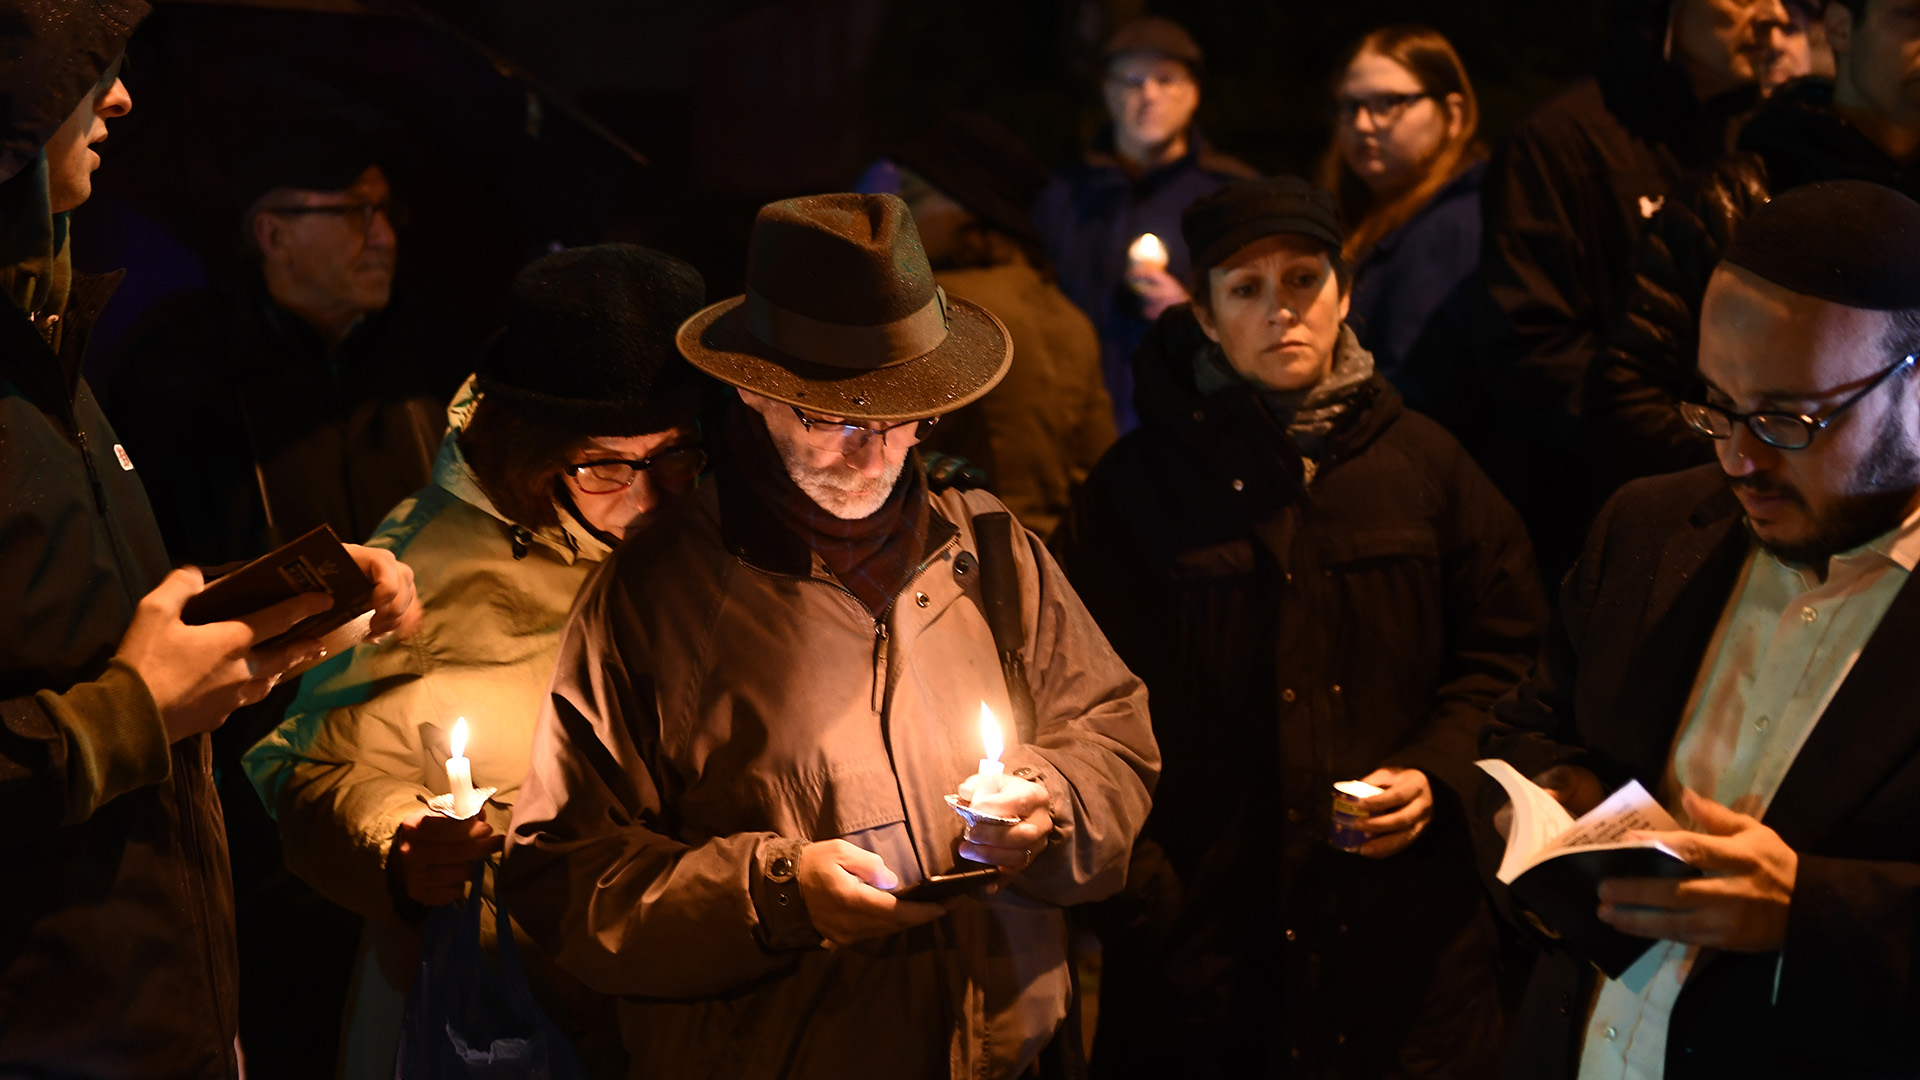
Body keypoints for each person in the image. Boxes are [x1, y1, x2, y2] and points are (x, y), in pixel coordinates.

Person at [501, 193, 1158, 1080]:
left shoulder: (991, 548)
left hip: (1010, 1053)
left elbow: (1114, 736)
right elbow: (568, 877)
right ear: (751, 389)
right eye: (835, 417)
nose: (876, 453)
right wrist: (773, 899)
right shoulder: (654, 598)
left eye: (905, 418)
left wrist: (1052, 804)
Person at [0, 4, 416, 1074]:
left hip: (157, 1000)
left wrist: (290, 596)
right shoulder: (175, 372)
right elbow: (114, 691)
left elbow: (90, 617)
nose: (122, 99)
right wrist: (129, 717)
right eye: (86, 71)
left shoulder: (50, 359)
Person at [1061, 178, 1548, 1078]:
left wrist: (1440, 770)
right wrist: (1146, 901)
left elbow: (1512, 651)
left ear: (1345, 294)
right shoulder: (1135, 491)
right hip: (1202, 960)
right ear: (1203, 315)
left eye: (1303, 280)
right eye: (1245, 289)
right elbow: (1069, 703)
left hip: (1403, 958)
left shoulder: (1428, 466)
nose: (1281, 309)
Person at [1483, 180, 1920, 1078]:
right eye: (1715, 402)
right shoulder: (1648, 530)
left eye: (1788, 420)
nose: (1736, 458)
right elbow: (1529, 724)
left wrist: (1810, 912)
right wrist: (1556, 796)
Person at [244, 244, 708, 1078]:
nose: (646, 496)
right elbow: (300, 768)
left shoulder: (717, 535)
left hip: (698, 1007)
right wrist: (397, 843)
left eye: (673, 454)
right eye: (605, 464)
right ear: (530, 450)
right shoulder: (425, 572)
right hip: (511, 1015)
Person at [1478, 0, 1789, 583]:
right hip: (1602, 524)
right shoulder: (1559, 143)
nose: (1774, 15)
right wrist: (1690, 444)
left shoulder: (1761, 143)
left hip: (1755, 498)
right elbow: (1530, 349)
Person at [108, 115, 471, 568]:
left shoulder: (440, 360)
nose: (384, 237)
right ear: (274, 236)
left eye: (386, 211)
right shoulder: (177, 381)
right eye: (356, 212)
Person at [1592, 0, 1920, 488]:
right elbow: (1629, 393)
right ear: (1840, 27)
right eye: (1913, 15)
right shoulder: (1735, 202)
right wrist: (1766, 472)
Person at [868, 110, 1116, 540]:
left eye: (913, 195)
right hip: (1060, 562)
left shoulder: (937, 309)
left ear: (965, 205)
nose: (900, 217)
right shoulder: (1068, 315)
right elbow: (1100, 467)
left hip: (965, 555)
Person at [1034, 16, 1257, 434]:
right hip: (1074, 421)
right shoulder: (1065, 194)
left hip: (1195, 421)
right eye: (1132, 80)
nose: (1148, 95)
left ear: (1193, 93)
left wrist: (1192, 313)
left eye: (1166, 80)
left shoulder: (1231, 194)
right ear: (1107, 91)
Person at [1317, 24, 1489, 439]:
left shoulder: (1453, 225)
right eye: (1349, 105)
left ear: (1454, 113)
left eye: (1389, 103)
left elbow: (1408, 388)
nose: (1362, 123)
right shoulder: (1372, 217)